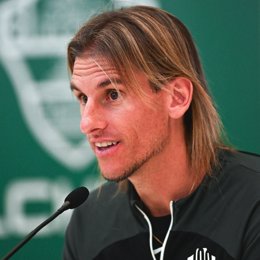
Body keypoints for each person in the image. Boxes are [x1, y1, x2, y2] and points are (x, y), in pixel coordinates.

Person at [63, 5, 260, 260]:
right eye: (82, 97)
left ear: (177, 98)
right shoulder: (87, 222)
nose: (87, 123)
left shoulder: (253, 201)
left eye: (113, 94)